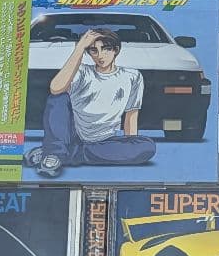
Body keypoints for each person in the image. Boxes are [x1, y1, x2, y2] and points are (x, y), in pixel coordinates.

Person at [25, 28, 155, 177]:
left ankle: (58, 153)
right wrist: (79, 48)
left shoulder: (132, 76)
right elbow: (55, 88)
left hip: (104, 141)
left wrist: (130, 144)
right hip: (72, 135)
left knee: (147, 147)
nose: (100, 55)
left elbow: (131, 114)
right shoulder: (81, 71)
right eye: (94, 50)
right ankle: (57, 152)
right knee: (58, 98)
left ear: (116, 50)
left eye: (106, 49)